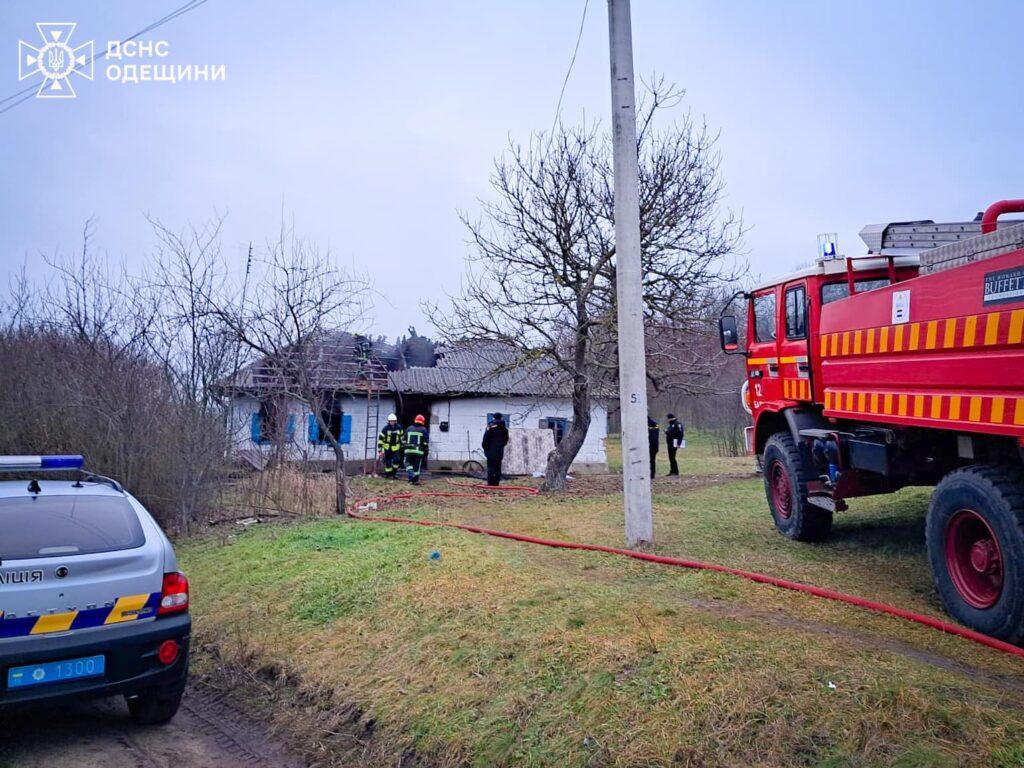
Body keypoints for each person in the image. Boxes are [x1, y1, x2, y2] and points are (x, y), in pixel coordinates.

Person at [481, 412, 510, 486]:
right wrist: (500, 446)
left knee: (491, 467)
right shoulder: (504, 429)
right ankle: (496, 483)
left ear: (494, 418)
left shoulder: (490, 427)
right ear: (501, 418)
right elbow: (506, 440)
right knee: (497, 467)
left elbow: (485, 439)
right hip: (499, 451)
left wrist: (485, 448)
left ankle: (490, 483)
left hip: (490, 451)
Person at [377, 413, 404, 479]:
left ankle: (394, 474)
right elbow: (381, 440)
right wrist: (380, 451)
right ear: (389, 421)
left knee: (397, 460)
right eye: (391, 421)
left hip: (396, 448)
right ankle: (388, 475)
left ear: (395, 421)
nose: (392, 422)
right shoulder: (385, 429)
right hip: (387, 448)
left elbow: (402, 438)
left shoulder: (399, 428)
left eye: (393, 421)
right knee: (388, 463)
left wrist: (403, 446)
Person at [404, 414, 429, 484]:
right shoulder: (424, 429)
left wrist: (405, 446)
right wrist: (425, 449)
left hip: (408, 450)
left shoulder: (409, 428)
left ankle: (411, 476)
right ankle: (416, 480)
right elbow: (426, 442)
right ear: (422, 422)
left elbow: (403, 440)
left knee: (407, 463)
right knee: (417, 466)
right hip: (418, 451)